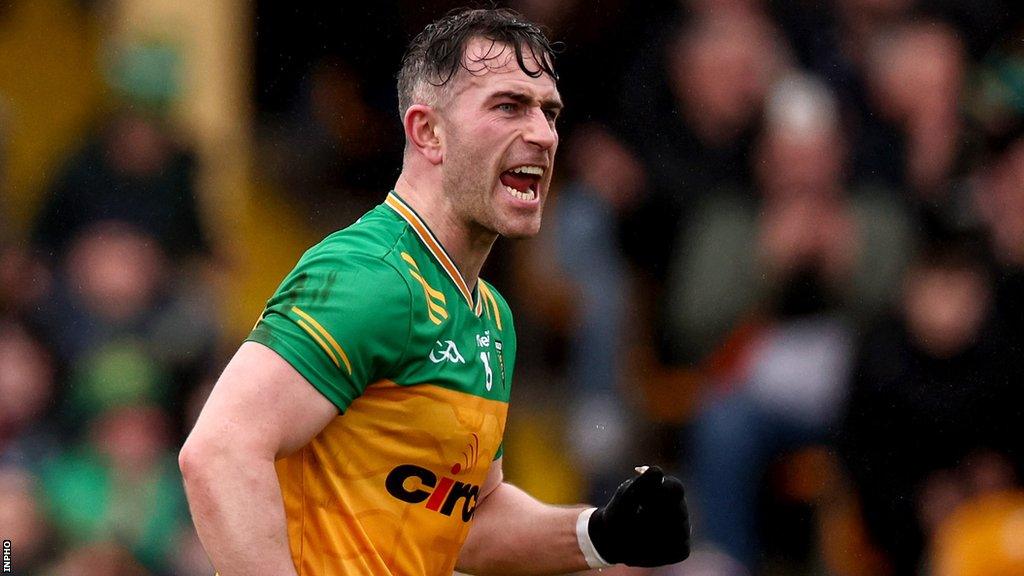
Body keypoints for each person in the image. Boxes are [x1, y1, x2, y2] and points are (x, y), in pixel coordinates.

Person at [179, 8, 690, 576]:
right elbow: (219, 452)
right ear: (428, 131)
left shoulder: (490, 314)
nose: (544, 135)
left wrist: (596, 534)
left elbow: (466, 524)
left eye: (550, 112)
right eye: (508, 106)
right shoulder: (371, 275)